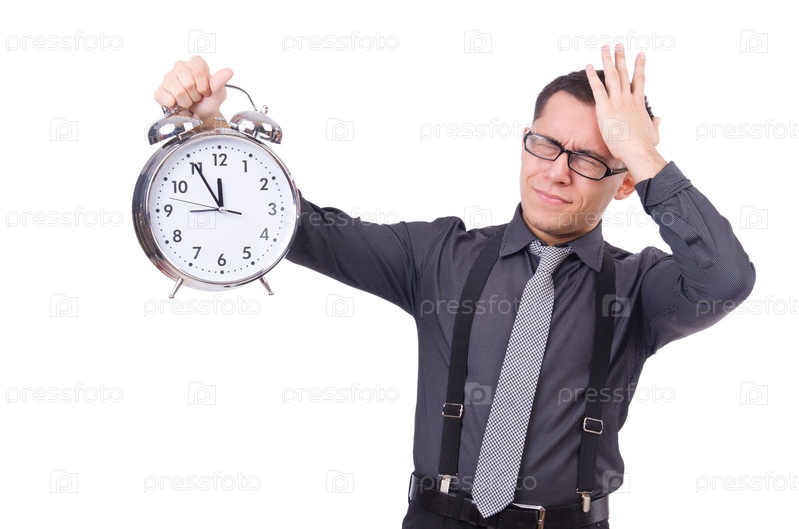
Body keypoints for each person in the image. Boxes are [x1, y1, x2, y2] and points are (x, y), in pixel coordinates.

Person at [154, 44, 755, 528]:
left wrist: (643, 154)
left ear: (624, 183)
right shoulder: (440, 257)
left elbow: (727, 277)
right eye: (546, 144)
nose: (555, 172)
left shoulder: (640, 288)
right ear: (525, 140)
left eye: (591, 159)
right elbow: (296, 228)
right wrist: (212, 132)